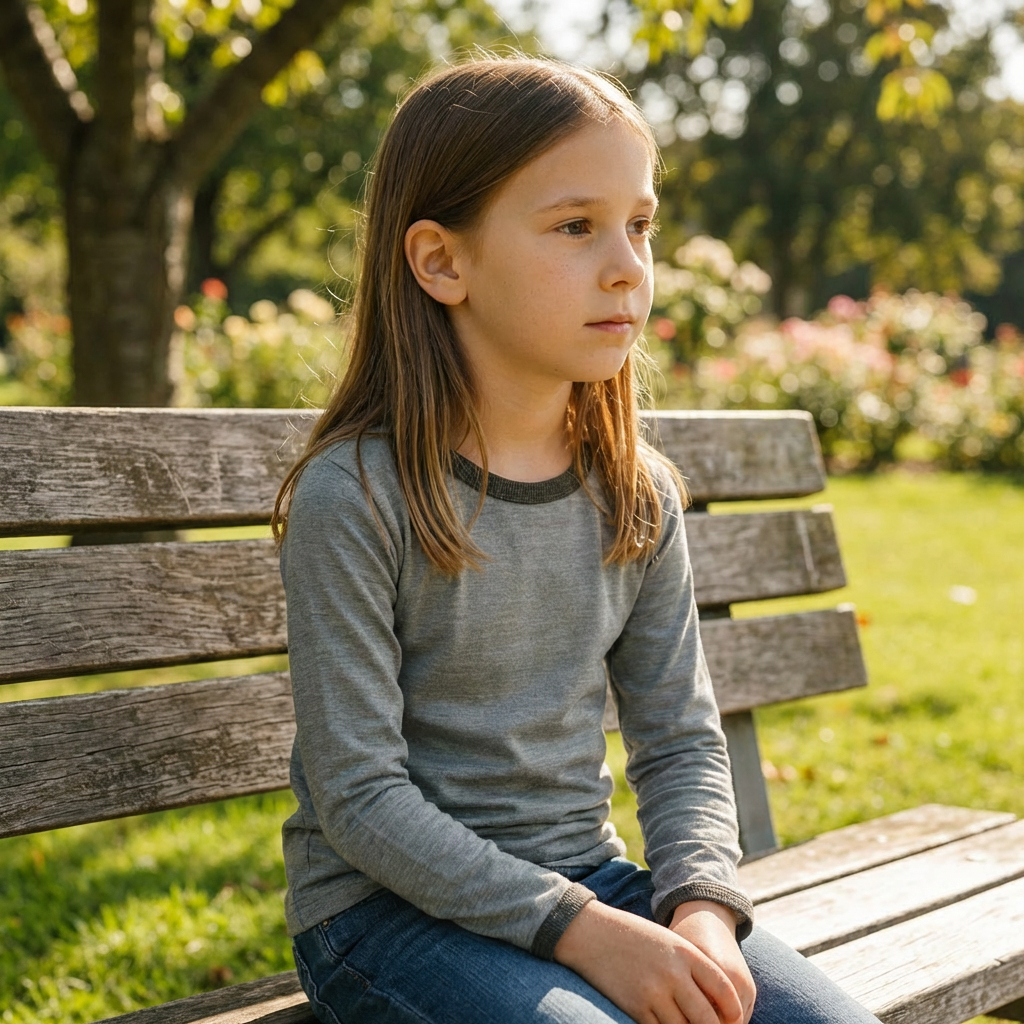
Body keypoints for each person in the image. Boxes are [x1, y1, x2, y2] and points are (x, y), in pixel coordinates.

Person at [272, 54, 883, 1024]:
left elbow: (680, 741)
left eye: (639, 225)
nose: (626, 266)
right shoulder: (358, 494)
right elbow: (357, 797)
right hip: (386, 916)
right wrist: (582, 928)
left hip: (592, 884)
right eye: (574, 226)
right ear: (441, 261)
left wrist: (699, 910)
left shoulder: (633, 493)